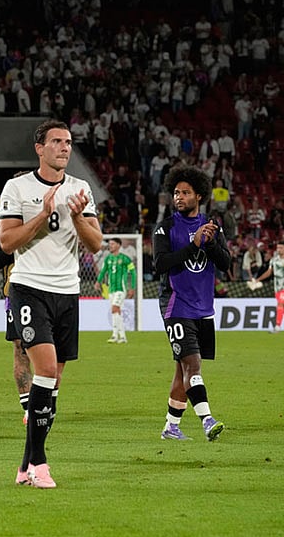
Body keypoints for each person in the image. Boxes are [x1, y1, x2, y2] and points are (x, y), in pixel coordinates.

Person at [0, 119, 103, 488]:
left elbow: (95, 244)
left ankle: (24, 466)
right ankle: (41, 464)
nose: (64, 147)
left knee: (53, 382)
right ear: (39, 148)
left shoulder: (80, 189)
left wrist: (76, 216)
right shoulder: (18, 187)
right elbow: (7, 242)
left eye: (69, 142)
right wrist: (43, 215)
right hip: (29, 289)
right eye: (56, 141)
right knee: (43, 371)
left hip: (68, 292)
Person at [154, 166, 230, 442]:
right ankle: (207, 420)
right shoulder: (166, 228)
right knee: (193, 366)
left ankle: (170, 427)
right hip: (176, 306)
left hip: (203, 309)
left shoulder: (211, 226)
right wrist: (193, 244)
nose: (179, 197)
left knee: (182, 369)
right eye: (176, 192)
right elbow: (159, 264)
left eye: (185, 193)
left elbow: (226, 264)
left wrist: (208, 244)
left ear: (199, 196)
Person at [0, 221, 31, 426]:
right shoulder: (3, 223)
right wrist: (19, 239)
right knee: (20, 347)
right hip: (14, 293)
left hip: (47, 288)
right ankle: (29, 408)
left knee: (50, 350)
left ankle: (46, 402)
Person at [95, 238, 136, 344]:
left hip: (121, 289)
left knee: (114, 309)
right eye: (109, 244)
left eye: (112, 244)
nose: (110, 246)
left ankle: (115, 335)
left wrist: (132, 287)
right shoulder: (108, 258)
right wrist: (98, 282)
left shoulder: (125, 259)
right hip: (111, 289)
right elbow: (103, 271)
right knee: (116, 312)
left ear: (118, 245)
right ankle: (121, 337)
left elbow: (133, 273)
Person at [254, 241, 284, 333]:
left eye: (281, 248)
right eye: (278, 248)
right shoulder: (274, 260)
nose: (279, 250)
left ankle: (277, 327)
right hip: (277, 286)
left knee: (280, 304)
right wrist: (258, 279)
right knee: (280, 305)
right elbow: (269, 272)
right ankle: (277, 326)